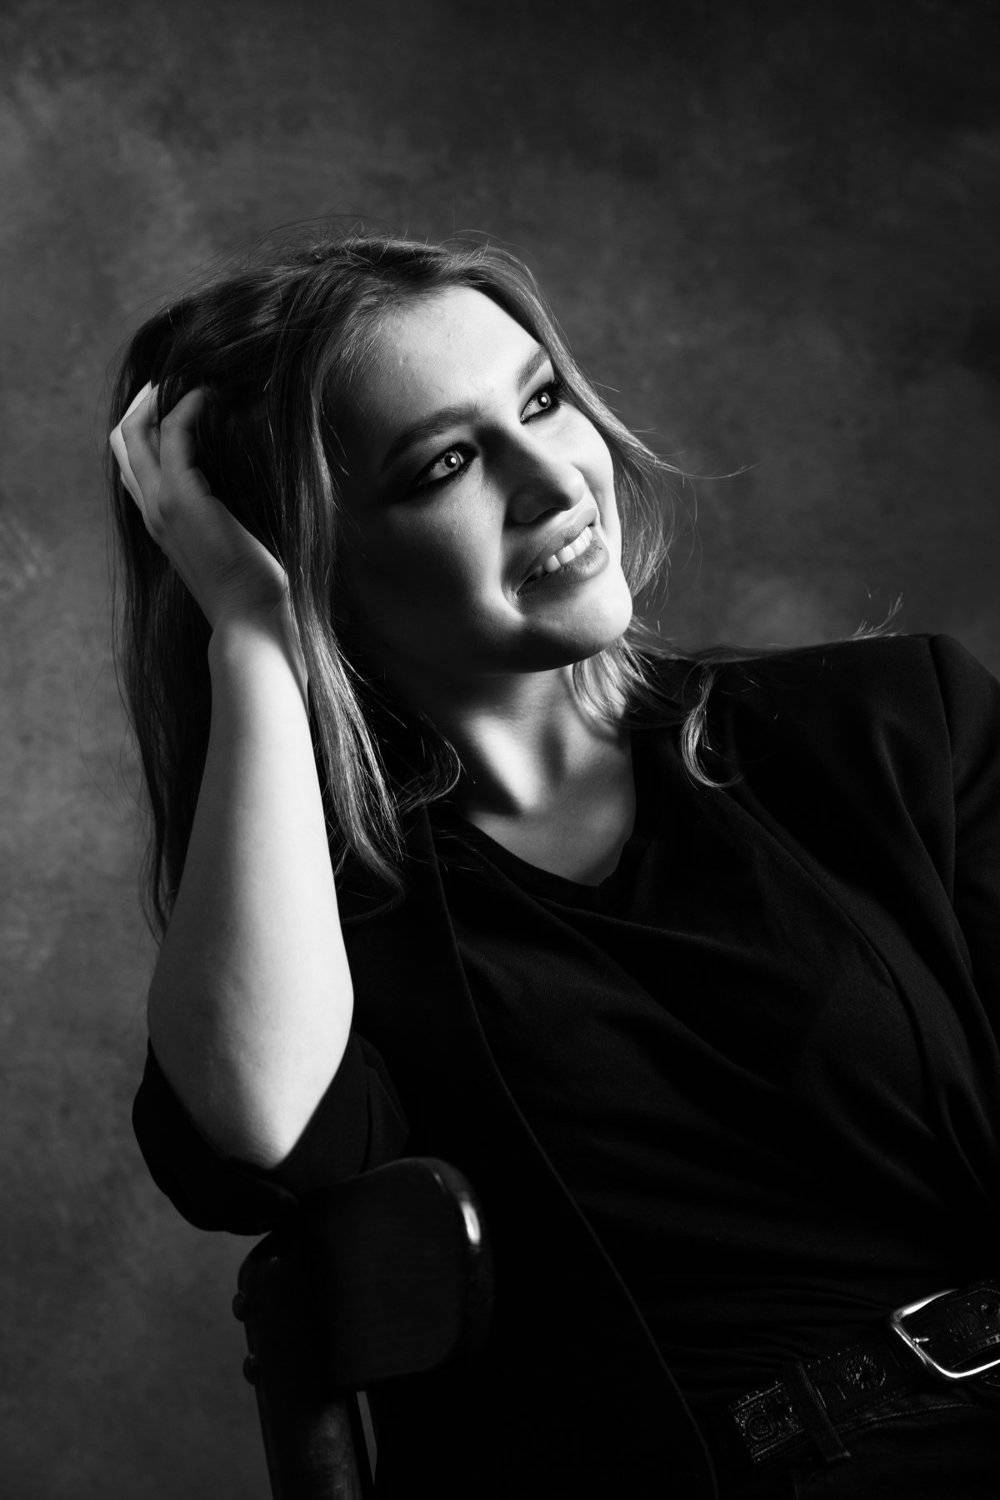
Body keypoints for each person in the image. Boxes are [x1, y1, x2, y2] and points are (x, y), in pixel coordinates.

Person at [109, 231, 1000, 1498]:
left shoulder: (897, 727)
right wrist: (253, 634)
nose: (552, 481)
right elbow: (255, 1131)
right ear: (314, 561)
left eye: (539, 402)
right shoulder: (320, 927)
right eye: (447, 464)